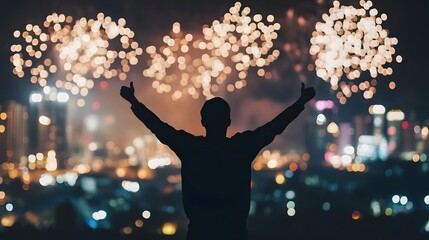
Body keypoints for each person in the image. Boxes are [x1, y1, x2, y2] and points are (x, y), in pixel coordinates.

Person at [120, 82, 315, 240]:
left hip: (199, 233)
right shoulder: (242, 147)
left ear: (202, 121)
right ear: (228, 122)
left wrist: (133, 101)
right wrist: (301, 102)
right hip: (234, 233)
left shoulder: (190, 147)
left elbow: (158, 127)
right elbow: (275, 126)